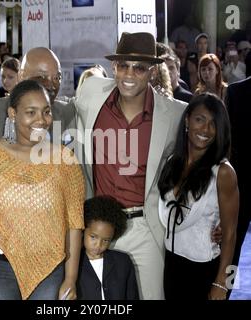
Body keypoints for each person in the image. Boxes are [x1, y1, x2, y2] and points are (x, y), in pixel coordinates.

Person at [75, 32, 187, 299]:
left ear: (152, 71)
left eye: (139, 68)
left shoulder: (173, 114)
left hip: (144, 227)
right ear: (114, 67)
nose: (129, 74)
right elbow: (56, 111)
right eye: (123, 65)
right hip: (97, 226)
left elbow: (194, 165)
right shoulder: (91, 93)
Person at [0, 79, 85, 300]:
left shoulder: (64, 159)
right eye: (31, 112)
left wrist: (70, 279)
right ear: (12, 114)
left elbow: (75, 224)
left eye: (46, 112)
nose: (41, 120)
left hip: (50, 269)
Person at [158, 93, 239, 300]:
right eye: (199, 119)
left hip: (203, 271)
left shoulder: (223, 172)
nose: (205, 129)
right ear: (187, 120)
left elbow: (230, 235)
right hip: (170, 266)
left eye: (213, 123)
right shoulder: (171, 162)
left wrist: (223, 285)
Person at [77, 196, 139, 300]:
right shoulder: (73, 264)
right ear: (83, 230)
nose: (98, 245)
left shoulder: (123, 262)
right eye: (93, 237)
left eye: (105, 240)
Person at [225, 76, 251, 296]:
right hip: (238, 188)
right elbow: (227, 141)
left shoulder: (235, 91)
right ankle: (224, 290)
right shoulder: (234, 92)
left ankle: (224, 291)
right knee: (231, 250)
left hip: (238, 186)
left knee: (231, 251)